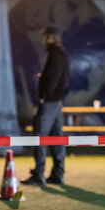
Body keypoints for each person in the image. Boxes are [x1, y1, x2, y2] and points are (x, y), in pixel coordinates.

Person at [22, 26, 70, 186]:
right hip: (57, 101)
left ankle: (39, 174)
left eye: (45, 37)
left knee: (39, 135)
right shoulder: (60, 53)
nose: (43, 40)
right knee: (57, 137)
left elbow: (52, 78)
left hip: (50, 101)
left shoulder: (55, 54)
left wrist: (44, 96)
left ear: (51, 37)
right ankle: (58, 173)